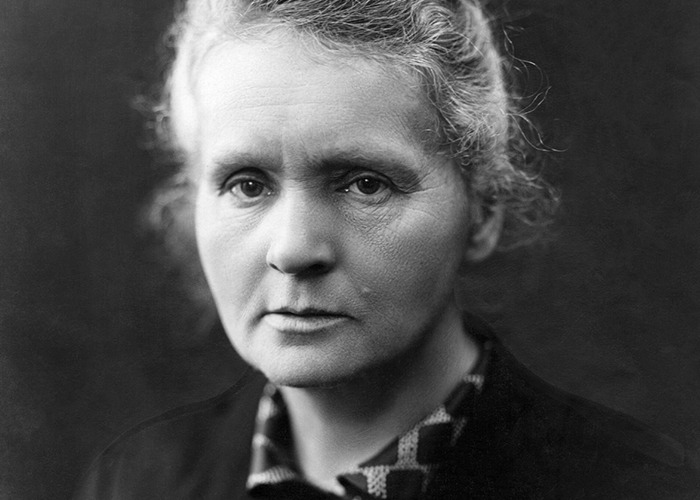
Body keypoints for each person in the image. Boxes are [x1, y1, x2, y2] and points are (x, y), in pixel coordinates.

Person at [74, 0, 699, 498]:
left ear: (482, 210)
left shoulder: (637, 487)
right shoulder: (135, 482)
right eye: (247, 184)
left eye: (365, 184)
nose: (293, 249)